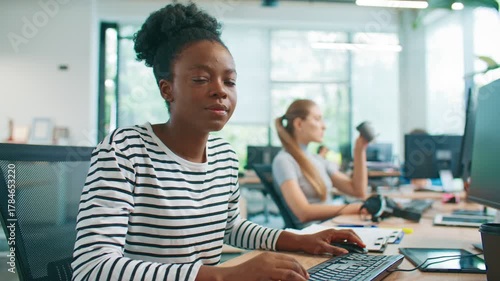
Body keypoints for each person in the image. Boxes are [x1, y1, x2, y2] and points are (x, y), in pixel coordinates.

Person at [71, 4, 365, 281]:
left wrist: (300, 240)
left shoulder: (224, 155)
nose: (220, 91)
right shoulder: (125, 150)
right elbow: (92, 267)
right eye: (200, 79)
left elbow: (229, 227)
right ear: (167, 89)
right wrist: (224, 276)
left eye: (229, 81)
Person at [273, 99, 369, 225]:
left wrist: (359, 150)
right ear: (299, 124)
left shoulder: (317, 160)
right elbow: (303, 213)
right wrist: (353, 208)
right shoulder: (284, 161)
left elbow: (358, 191)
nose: (324, 126)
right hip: (313, 235)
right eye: (317, 119)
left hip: (330, 227)